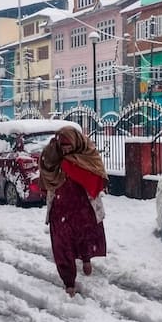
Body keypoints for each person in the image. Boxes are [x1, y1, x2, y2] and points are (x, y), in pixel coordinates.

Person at [39, 126, 108, 297]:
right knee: (61, 244)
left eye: (69, 145)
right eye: (62, 145)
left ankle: (86, 258)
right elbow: (45, 172)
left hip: (83, 205)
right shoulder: (52, 154)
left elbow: (97, 171)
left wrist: (74, 167)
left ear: (76, 142)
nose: (65, 149)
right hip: (60, 206)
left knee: (85, 235)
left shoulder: (87, 152)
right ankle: (68, 280)